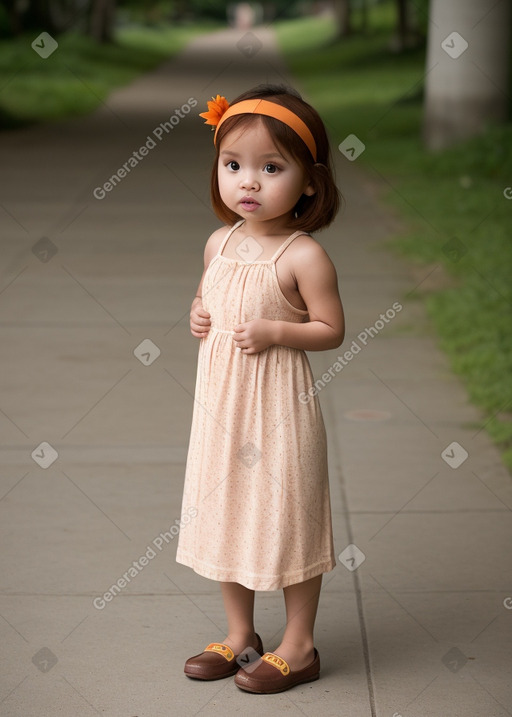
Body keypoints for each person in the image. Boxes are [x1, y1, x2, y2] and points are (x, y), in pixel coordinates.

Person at [175, 83, 345, 694]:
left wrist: (279, 329)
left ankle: (298, 645)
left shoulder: (304, 257)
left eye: (271, 168)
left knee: (288, 517)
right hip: (222, 411)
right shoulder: (218, 244)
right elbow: (210, 298)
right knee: (225, 513)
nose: (248, 181)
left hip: (278, 411)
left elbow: (331, 330)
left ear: (307, 183)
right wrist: (198, 311)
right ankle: (240, 634)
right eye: (234, 165)